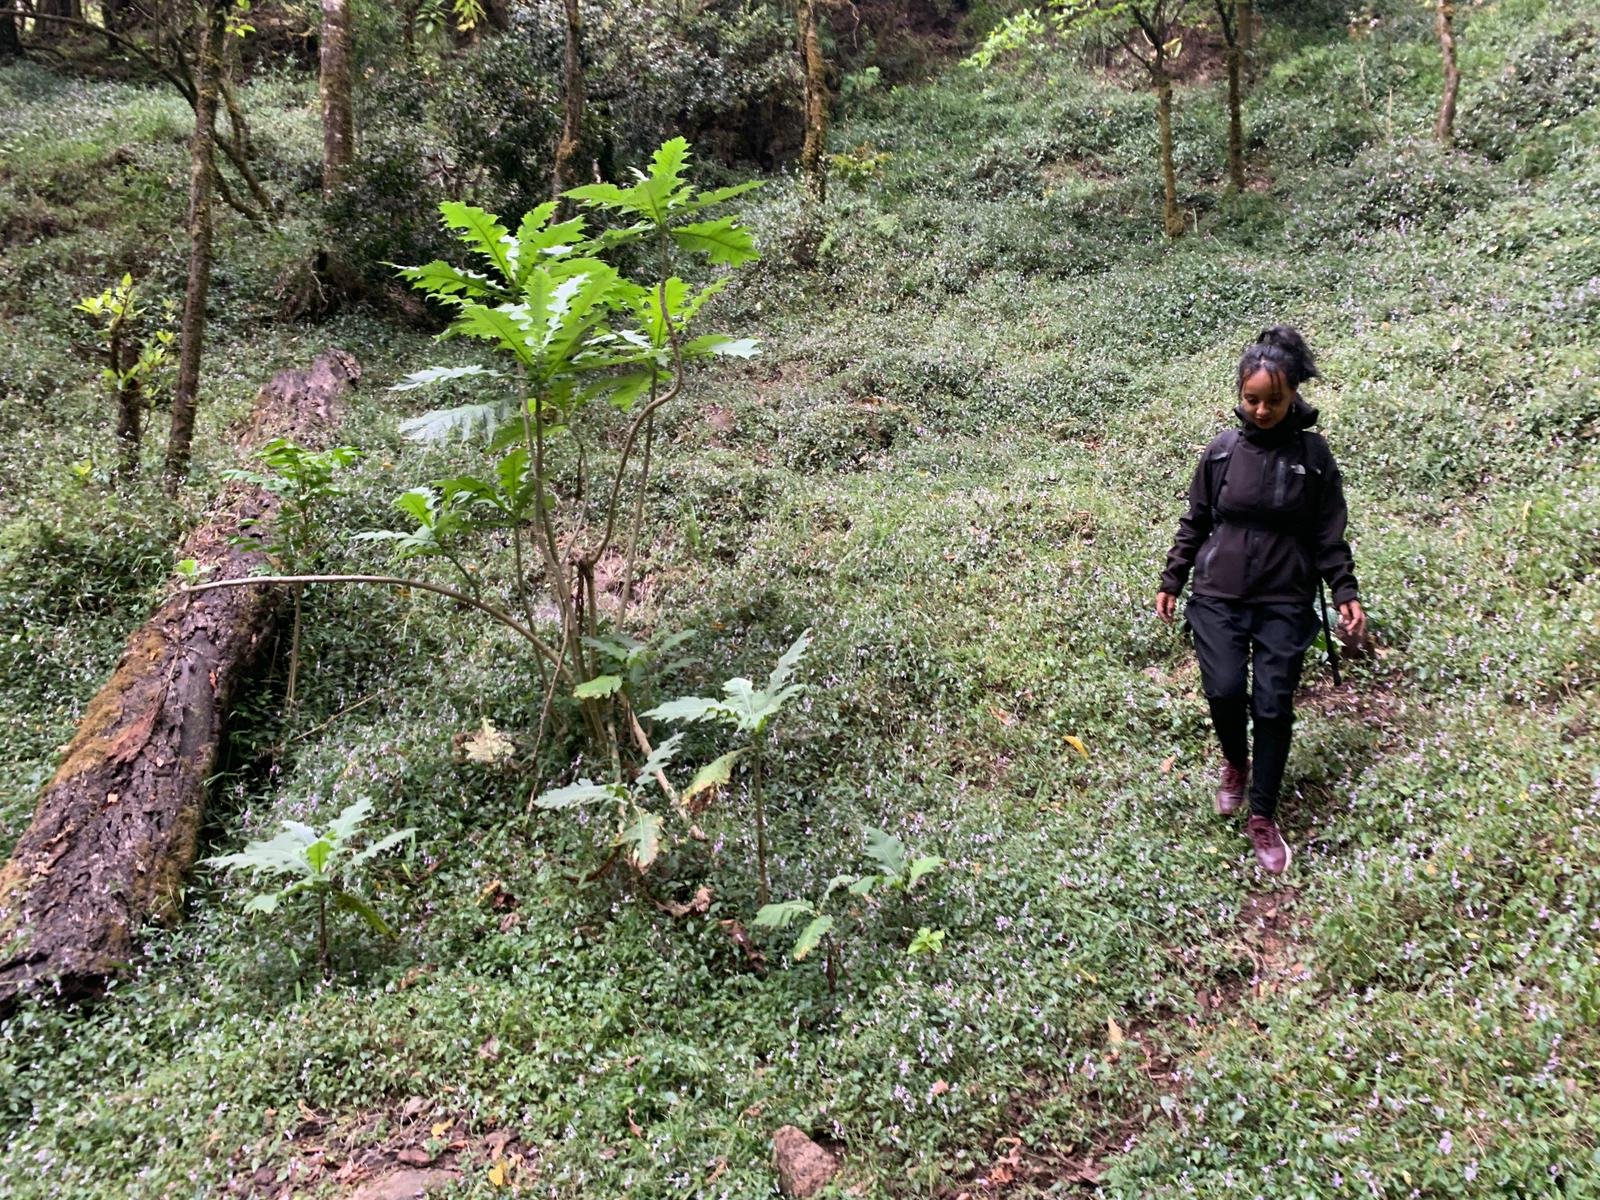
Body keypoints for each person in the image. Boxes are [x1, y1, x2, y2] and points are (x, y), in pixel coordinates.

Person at [1156, 326, 1366, 875]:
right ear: (1240, 395)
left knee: (1273, 704)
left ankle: (1265, 815)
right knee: (1224, 690)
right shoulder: (1222, 453)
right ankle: (1234, 763)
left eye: (1274, 400)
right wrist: (1173, 578)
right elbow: (1196, 519)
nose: (1262, 410)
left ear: (1293, 393)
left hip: (1285, 599)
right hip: (1218, 594)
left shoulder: (1314, 457)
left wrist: (1344, 590)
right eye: (1252, 399)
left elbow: (1328, 532)